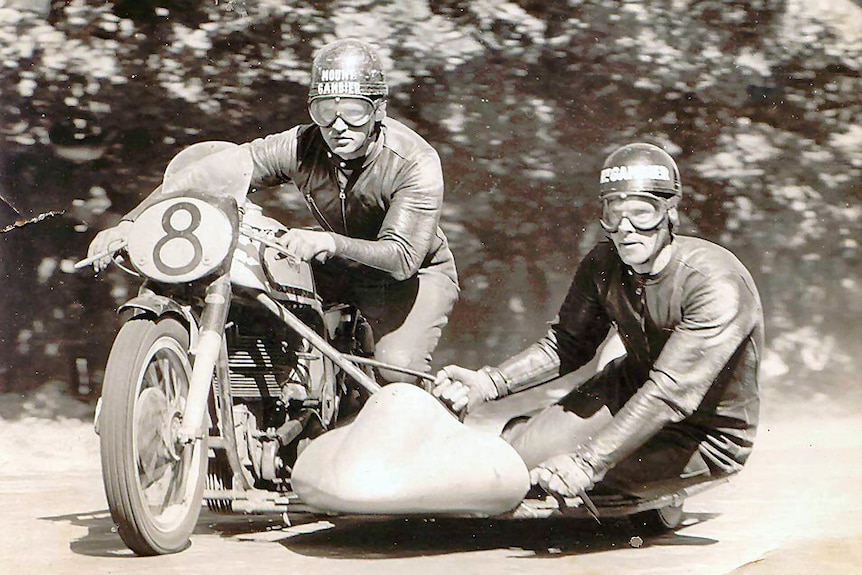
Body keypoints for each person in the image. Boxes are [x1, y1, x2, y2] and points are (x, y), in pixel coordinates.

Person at [87, 38, 459, 383]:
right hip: (334, 260)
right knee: (260, 309)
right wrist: (131, 222)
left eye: (354, 110)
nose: (337, 125)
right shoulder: (302, 144)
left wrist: (330, 242)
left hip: (411, 277)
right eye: (324, 110)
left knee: (397, 372)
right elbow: (214, 171)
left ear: (379, 110)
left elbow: (402, 257)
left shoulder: (415, 161)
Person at [434, 142, 763, 503]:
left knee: (556, 485)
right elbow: (568, 343)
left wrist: (587, 462)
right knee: (510, 462)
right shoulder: (602, 263)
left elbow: (669, 394)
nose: (625, 228)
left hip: (703, 432)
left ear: (669, 214)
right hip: (627, 393)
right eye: (614, 212)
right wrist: (488, 383)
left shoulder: (716, 281)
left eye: (642, 212)